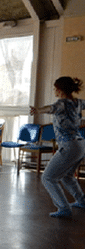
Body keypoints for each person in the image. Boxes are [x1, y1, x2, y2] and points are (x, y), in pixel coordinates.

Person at [30, 76, 85, 218]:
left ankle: (64, 208)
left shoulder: (61, 103)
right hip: (80, 144)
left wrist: (37, 110)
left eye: (55, 88)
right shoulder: (78, 102)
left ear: (60, 90)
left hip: (69, 145)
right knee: (67, 176)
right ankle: (82, 201)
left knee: (48, 178)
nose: (54, 90)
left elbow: (50, 108)